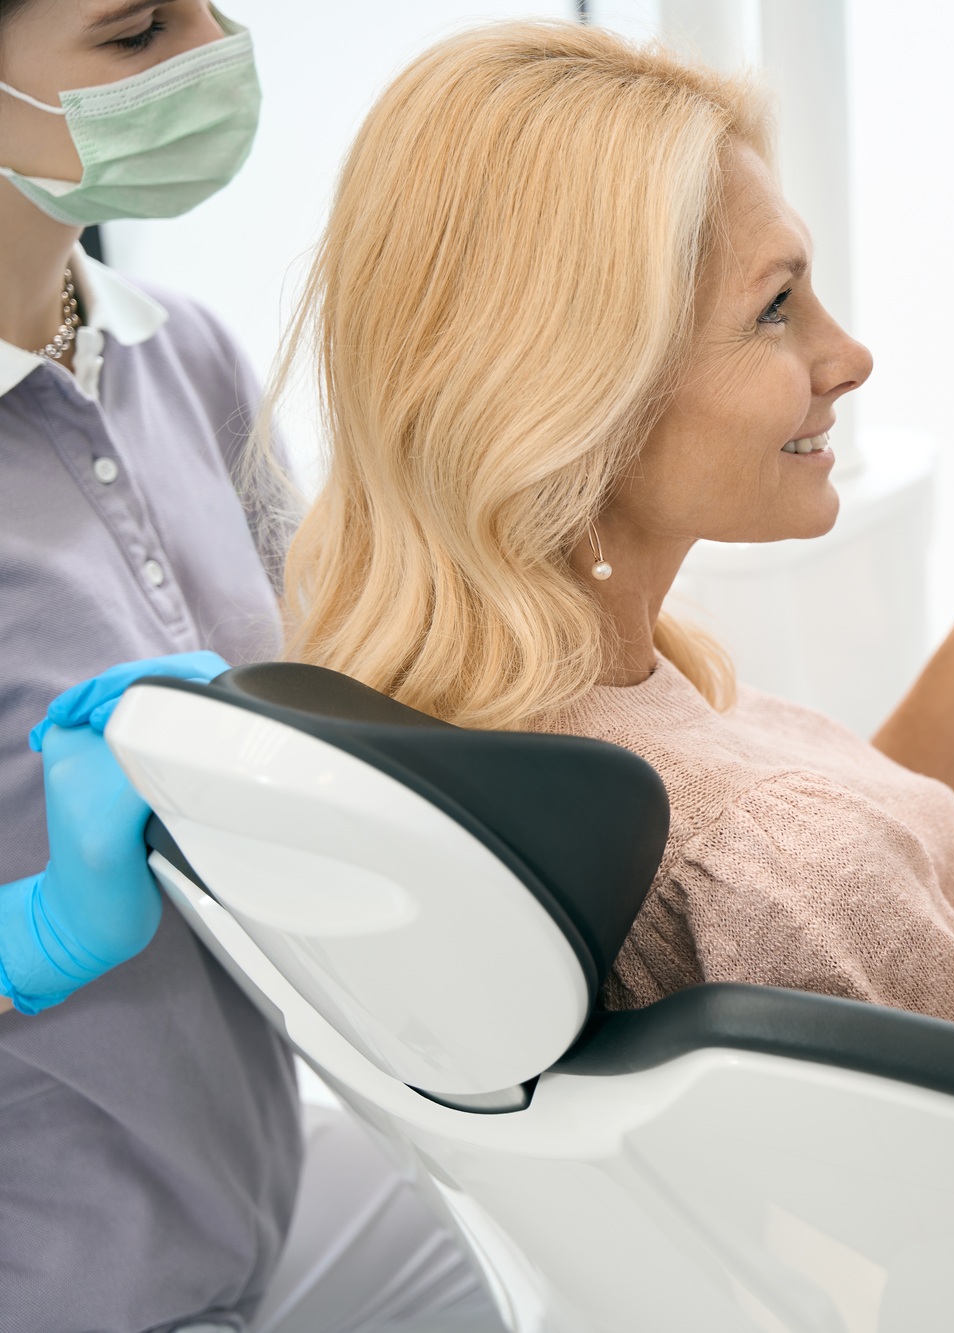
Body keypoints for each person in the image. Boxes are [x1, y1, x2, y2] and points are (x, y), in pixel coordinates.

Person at [261, 22, 954, 1075]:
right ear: (577, 394)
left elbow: (850, 840)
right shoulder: (764, 860)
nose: (849, 355)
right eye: (774, 309)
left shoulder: (510, 691)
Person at [0, 3, 499, 1328]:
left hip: (238, 1199)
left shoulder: (185, 356)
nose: (212, 55)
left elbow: (336, 668)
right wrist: (36, 934)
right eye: (136, 33)